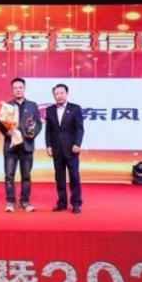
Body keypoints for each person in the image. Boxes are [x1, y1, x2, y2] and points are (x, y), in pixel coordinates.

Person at [0, 77, 41, 212]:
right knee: (9, 176)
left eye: (20, 87)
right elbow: (0, 125)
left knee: (26, 176)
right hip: (11, 146)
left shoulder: (32, 105)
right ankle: (10, 202)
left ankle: (25, 202)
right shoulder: (7, 106)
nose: (18, 90)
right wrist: (8, 132)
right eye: (15, 88)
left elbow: (38, 124)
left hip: (26, 145)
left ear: (24, 89)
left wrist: (33, 133)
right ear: (12, 90)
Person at [45, 83, 84, 214]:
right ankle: (61, 203)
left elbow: (79, 128)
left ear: (66, 94)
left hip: (72, 149)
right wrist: (48, 146)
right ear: (54, 96)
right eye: (57, 94)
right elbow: (48, 130)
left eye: (62, 93)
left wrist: (77, 144)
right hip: (56, 149)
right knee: (59, 177)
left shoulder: (75, 109)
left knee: (74, 176)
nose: (59, 96)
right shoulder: (50, 110)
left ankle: (76, 203)